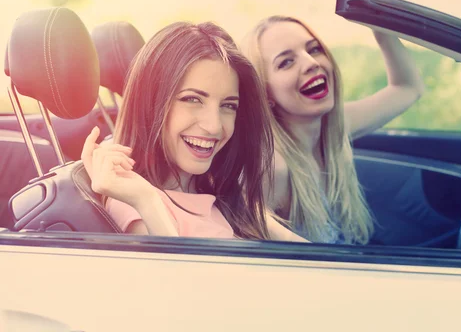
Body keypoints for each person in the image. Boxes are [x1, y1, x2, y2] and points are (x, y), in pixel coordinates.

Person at [82, 21, 303, 241]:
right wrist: (147, 201)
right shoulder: (132, 201)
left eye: (228, 105)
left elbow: (309, 257)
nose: (214, 126)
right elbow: (178, 276)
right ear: (151, 104)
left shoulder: (222, 192)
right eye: (192, 99)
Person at [241, 16, 426, 244]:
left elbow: (408, 88)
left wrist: (379, 23)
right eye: (286, 62)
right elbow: (242, 232)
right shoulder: (273, 166)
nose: (311, 63)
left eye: (314, 49)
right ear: (264, 93)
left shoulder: (336, 125)